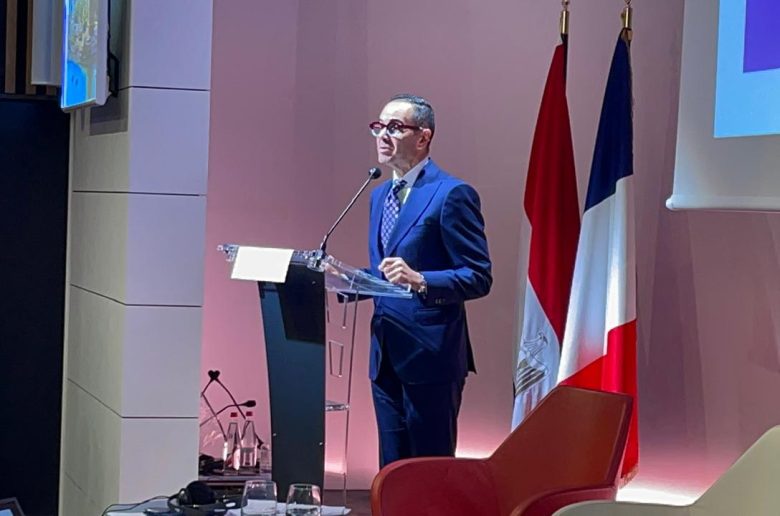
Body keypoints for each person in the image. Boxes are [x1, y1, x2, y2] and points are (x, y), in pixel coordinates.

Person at [366, 93, 492, 467]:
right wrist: (342, 279)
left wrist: (421, 280)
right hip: (385, 354)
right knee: (391, 470)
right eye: (379, 126)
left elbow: (478, 276)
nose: (382, 135)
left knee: (429, 471)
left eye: (394, 127)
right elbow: (384, 272)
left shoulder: (451, 194)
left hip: (431, 356)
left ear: (423, 137)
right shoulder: (378, 196)